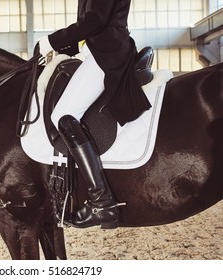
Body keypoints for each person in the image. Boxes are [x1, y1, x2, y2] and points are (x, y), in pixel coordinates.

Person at [39, 0, 151, 229]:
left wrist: (52, 40)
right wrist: (64, 47)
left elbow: (95, 20)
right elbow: (90, 25)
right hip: (99, 49)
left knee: (63, 116)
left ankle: (101, 202)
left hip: (107, 53)